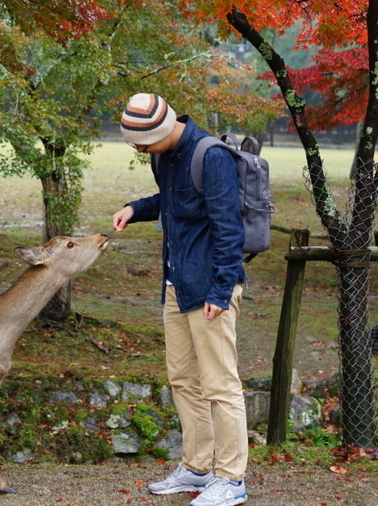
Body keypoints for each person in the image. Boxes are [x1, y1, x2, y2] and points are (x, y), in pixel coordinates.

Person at [111, 93, 248, 506]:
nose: (139, 151)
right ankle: (197, 468)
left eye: (142, 144)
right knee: (184, 380)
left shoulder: (211, 157)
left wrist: (221, 291)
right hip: (176, 285)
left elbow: (230, 230)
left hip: (211, 290)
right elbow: (172, 204)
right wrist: (135, 208)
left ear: (161, 131)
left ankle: (232, 479)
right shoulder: (163, 157)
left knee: (220, 384)